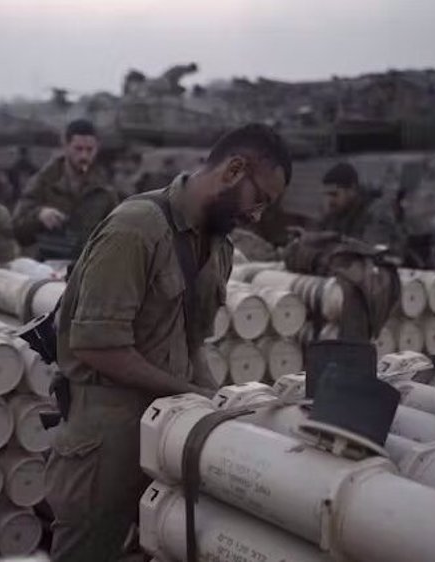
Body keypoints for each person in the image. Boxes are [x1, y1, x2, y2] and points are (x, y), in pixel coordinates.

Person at [46, 123, 292, 561]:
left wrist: (221, 404)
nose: (256, 215)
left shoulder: (218, 247)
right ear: (234, 170)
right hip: (107, 442)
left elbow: (191, 340)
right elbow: (96, 345)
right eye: (261, 200)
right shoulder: (135, 229)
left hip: (169, 433)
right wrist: (192, 394)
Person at [12, 119, 117, 260]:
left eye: (89, 150)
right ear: (65, 146)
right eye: (78, 149)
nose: (84, 156)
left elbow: (116, 235)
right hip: (47, 267)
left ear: (97, 148)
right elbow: (17, 229)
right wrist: (39, 215)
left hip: (88, 267)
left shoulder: (105, 189)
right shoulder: (43, 182)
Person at [317, 162, 405, 255]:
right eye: (326, 195)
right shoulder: (333, 213)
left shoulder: (375, 212)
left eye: (334, 194)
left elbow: (373, 251)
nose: (329, 201)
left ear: (352, 189)